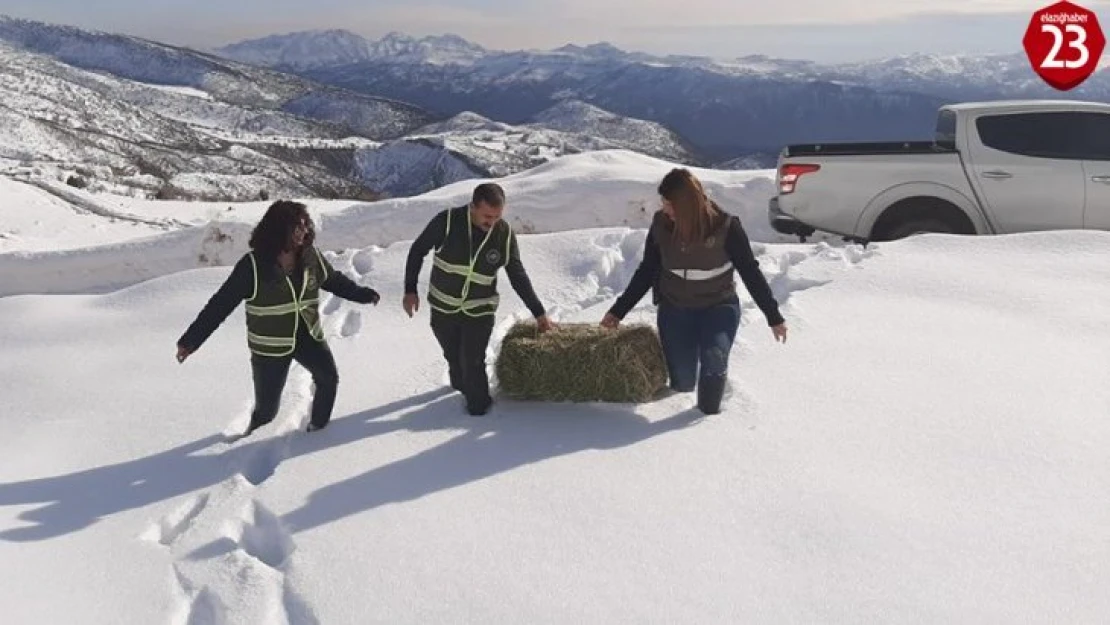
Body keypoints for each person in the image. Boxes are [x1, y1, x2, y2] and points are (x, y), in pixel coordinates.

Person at [176, 200, 381, 436]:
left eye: (306, 225)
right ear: (279, 229)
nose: (304, 230)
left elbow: (333, 279)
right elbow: (220, 305)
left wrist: (362, 294)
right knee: (267, 412)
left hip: (307, 333)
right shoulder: (252, 266)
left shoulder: (310, 256)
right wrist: (190, 341)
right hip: (269, 346)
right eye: (298, 226)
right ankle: (247, 441)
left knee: (329, 378)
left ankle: (317, 433)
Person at [601, 168, 788, 415]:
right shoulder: (661, 225)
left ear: (687, 205)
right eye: (663, 203)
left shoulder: (726, 227)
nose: (665, 209)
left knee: (714, 358)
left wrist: (773, 316)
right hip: (675, 309)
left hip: (719, 307)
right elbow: (647, 271)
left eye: (670, 204)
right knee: (683, 382)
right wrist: (618, 311)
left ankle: (707, 421)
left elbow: (750, 272)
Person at [403, 182, 554, 416]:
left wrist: (539, 313)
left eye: (496, 216)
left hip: (479, 310)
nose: (491, 222)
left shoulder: (503, 234)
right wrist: (410, 290)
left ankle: (479, 411)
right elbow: (417, 250)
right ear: (473, 207)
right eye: (486, 216)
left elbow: (517, 274)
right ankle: (458, 383)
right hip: (443, 308)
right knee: (453, 357)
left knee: (473, 361)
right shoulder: (447, 222)